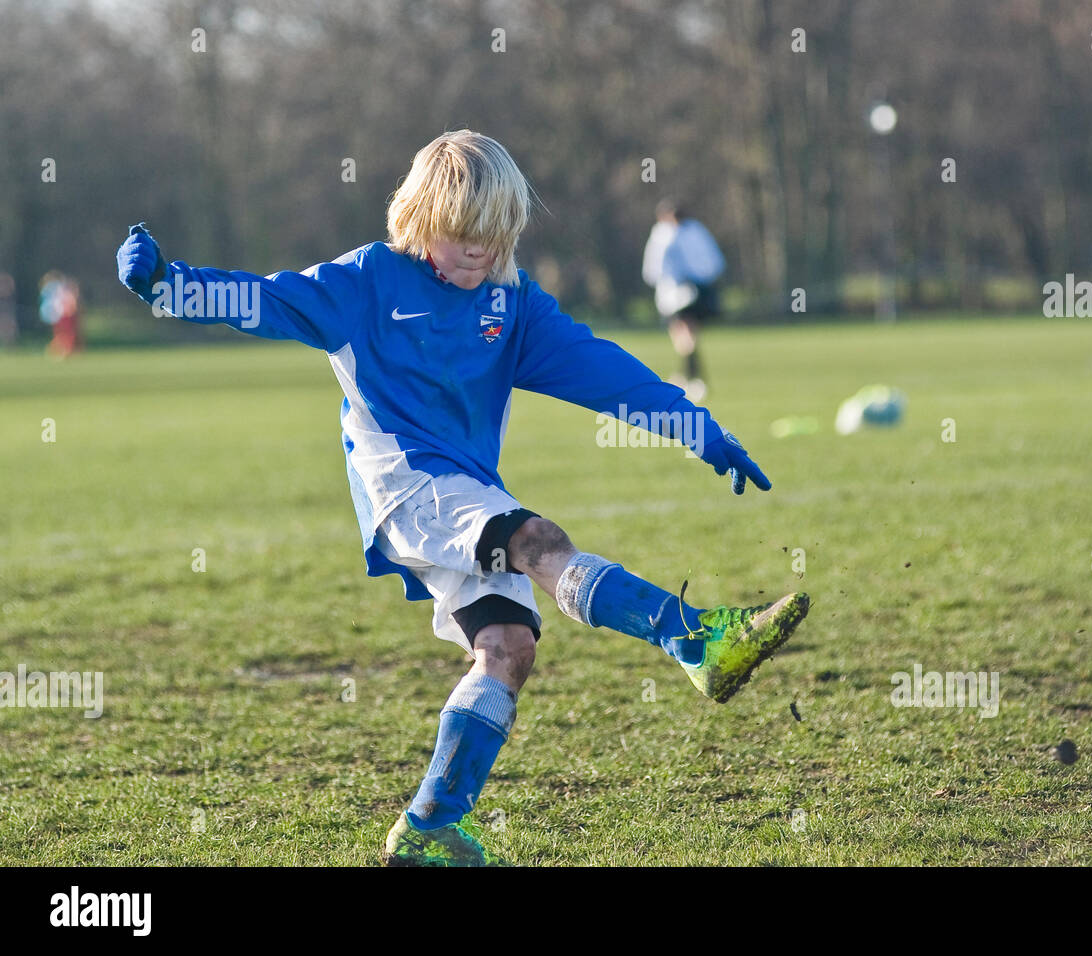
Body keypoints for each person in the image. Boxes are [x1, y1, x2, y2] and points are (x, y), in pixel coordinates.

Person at [116, 129, 810, 867]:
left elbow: (599, 368)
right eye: (461, 235)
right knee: (539, 540)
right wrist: (167, 284)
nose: (478, 253)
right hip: (405, 487)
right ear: (418, 218)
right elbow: (259, 300)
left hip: (468, 495)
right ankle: (695, 637)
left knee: (509, 650)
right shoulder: (365, 284)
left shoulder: (511, 304)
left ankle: (427, 829)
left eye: (493, 235)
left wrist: (690, 423)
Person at [641, 198, 725, 402]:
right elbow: (714, 262)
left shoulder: (667, 235)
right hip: (682, 292)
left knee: (685, 335)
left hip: (683, 294)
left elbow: (655, 269)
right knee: (685, 338)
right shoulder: (692, 231)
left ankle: (693, 379)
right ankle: (686, 377)